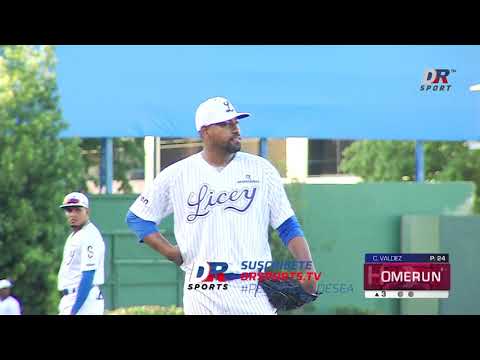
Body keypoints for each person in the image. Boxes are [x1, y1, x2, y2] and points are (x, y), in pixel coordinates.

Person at [126, 96, 318, 315]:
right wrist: (171, 252)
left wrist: (307, 267)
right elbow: (138, 218)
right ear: (205, 131)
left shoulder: (261, 170)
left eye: (236, 122)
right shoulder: (177, 174)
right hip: (202, 290)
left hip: (252, 287)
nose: (236, 129)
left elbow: (287, 226)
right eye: (226, 124)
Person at [57, 192, 106, 315]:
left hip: (84, 300)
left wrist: (74, 310)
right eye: (69, 210)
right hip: (71, 298)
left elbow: (88, 275)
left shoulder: (89, 235)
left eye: (78, 210)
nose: (73, 214)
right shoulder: (76, 235)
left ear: (87, 212)